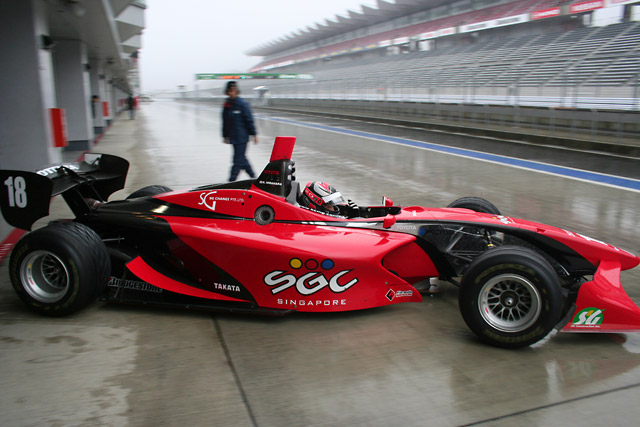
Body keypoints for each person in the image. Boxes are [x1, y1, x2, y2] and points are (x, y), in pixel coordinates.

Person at [222, 81, 258, 181]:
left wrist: (254, 134)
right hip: (233, 137)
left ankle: (231, 181)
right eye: (230, 91)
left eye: (233, 91)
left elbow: (249, 120)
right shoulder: (227, 105)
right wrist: (225, 136)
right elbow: (225, 122)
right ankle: (254, 178)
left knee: (237, 161)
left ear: (237, 91)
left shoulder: (242, 104)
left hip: (242, 137)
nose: (231, 93)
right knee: (242, 159)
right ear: (227, 92)